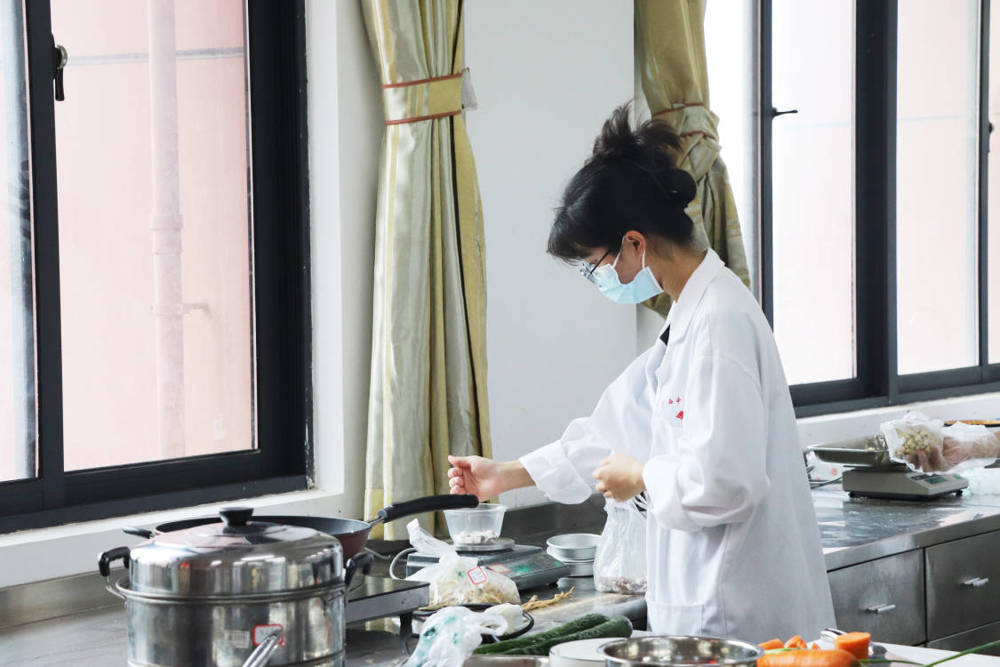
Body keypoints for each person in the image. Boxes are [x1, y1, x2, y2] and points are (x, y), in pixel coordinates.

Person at [448, 104, 835, 642]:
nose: (600, 279)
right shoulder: (689, 318)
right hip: (707, 603)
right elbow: (618, 425)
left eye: (597, 265)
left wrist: (643, 477)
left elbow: (730, 483)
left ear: (634, 242)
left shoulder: (718, 324)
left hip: (736, 610)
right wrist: (507, 474)